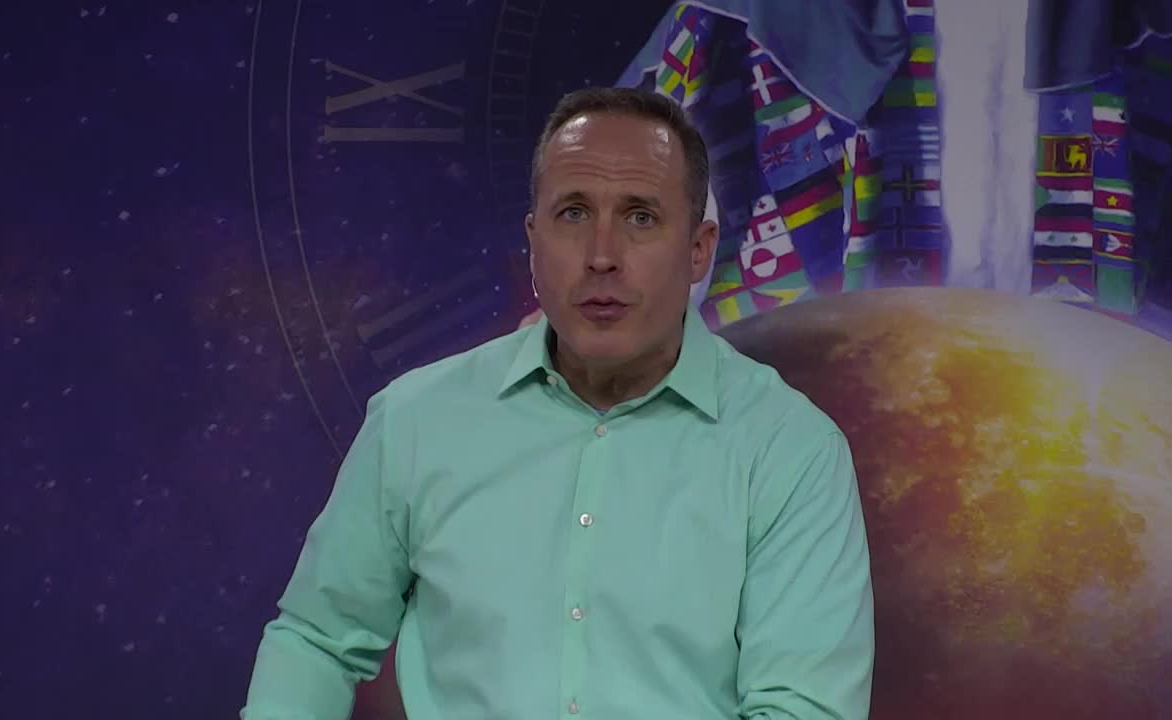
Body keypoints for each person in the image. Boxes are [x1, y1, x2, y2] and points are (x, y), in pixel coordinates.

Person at [241, 87, 875, 720]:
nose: (601, 257)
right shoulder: (416, 421)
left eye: (640, 217)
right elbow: (316, 639)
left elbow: (802, 709)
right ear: (533, 239)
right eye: (573, 213)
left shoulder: (789, 451)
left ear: (699, 249)